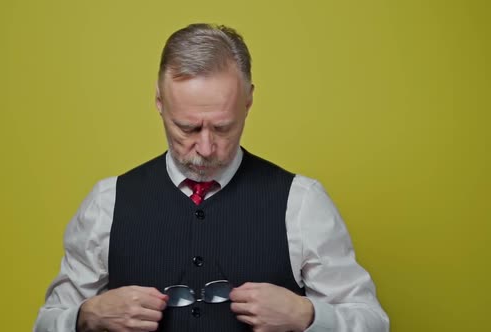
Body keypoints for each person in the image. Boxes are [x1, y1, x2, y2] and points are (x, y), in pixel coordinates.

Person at [33, 23, 389, 332]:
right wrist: (88, 316)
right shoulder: (106, 202)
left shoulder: (302, 202)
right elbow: (47, 323)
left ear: (248, 101)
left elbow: (372, 322)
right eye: (186, 127)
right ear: (159, 101)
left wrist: (307, 316)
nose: (205, 147)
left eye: (223, 127)